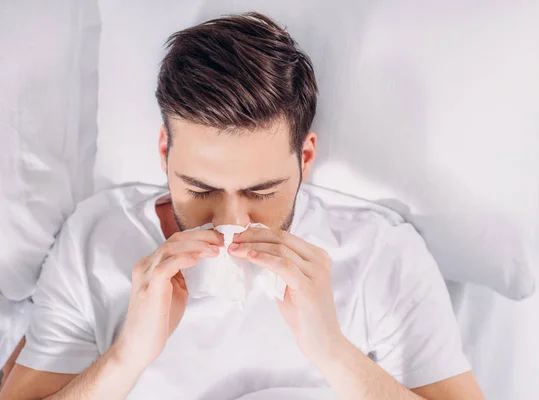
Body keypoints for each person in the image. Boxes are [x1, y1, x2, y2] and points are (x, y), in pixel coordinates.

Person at [0, 12, 485, 400]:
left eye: (261, 192)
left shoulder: (382, 254)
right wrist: (127, 356)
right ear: (165, 152)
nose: (231, 223)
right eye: (201, 188)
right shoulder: (95, 240)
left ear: (306, 157)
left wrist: (334, 352)